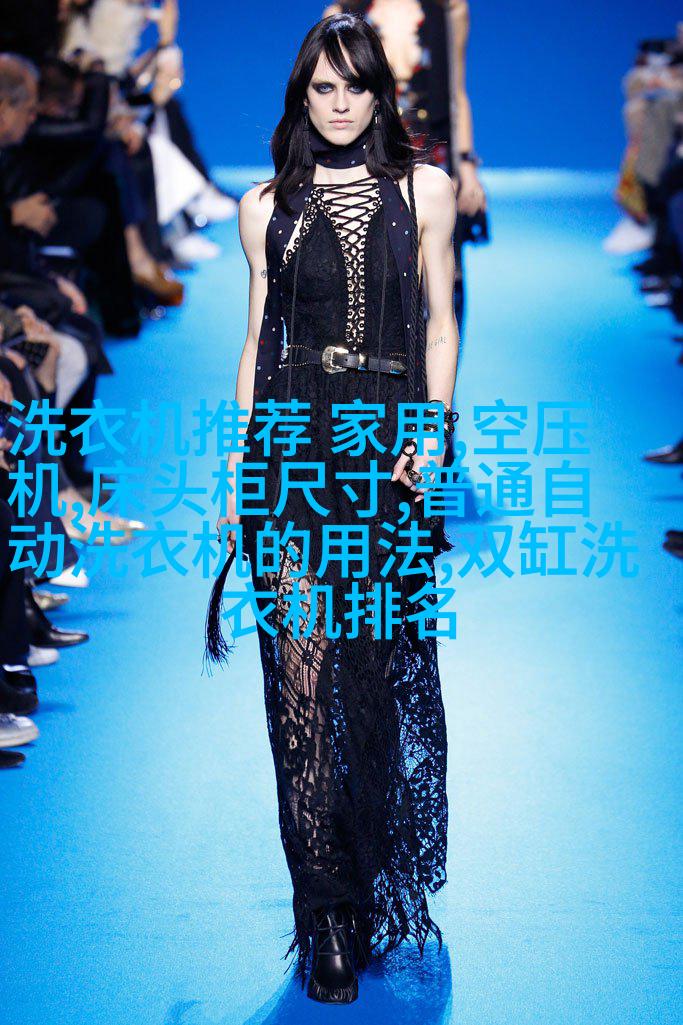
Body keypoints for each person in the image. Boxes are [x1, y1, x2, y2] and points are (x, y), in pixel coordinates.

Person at [205, 14, 459, 1004]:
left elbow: (438, 326)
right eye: (323, 86)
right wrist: (240, 462)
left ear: (380, 93)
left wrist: (431, 432)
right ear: (300, 95)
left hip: (383, 459)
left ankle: (365, 882)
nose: (340, 103)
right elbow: (257, 340)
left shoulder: (424, 192)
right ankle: (326, 919)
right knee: (299, 694)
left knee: (369, 688)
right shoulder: (261, 206)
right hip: (290, 454)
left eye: (356, 85)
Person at [324, 0, 486, 335]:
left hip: (433, 157)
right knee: (371, 268)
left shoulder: (448, 11)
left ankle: (439, 364)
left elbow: (456, 94)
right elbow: (333, 101)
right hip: (369, 156)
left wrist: (467, 165)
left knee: (443, 272)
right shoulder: (341, 16)